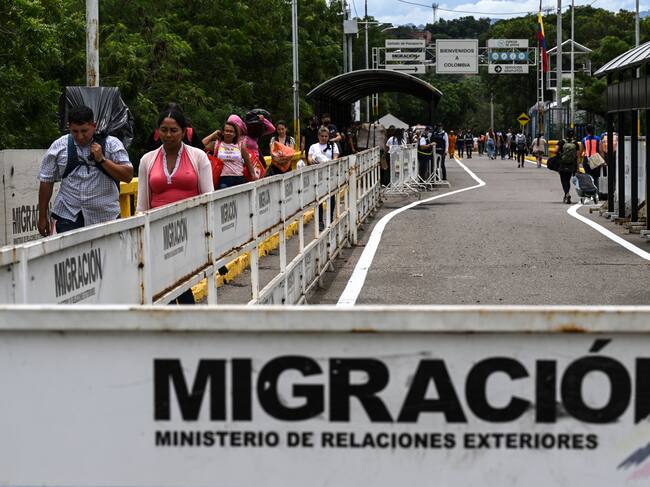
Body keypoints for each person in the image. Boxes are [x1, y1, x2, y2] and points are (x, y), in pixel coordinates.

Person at [136, 108, 214, 304]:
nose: (168, 135)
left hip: (189, 230)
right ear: (158, 131)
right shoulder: (147, 160)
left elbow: (209, 197)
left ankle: (182, 318)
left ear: (184, 131)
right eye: (164, 130)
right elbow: (142, 203)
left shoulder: (198, 156)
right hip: (157, 233)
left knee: (180, 281)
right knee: (164, 284)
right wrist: (141, 235)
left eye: (173, 130)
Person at [37, 105, 133, 237]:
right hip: (68, 215)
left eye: (84, 131)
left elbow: (128, 176)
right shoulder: (59, 146)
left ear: (94, 126)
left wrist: (102, 160)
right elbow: (46, 180)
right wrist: (42, 217)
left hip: (105, 216)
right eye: (75, 131)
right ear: (69, 127)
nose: (80, 136)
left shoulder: (112, 144)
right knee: (70, 250)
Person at [308, 127, 339, 230]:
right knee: (319, 199)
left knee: (331, 197)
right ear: (318, 136)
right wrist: (313, 161)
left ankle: (330, 218)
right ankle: (320, 221)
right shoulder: (313, 146)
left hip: (330, 174)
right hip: (318, 175)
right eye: (322, 136)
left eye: (326, 136)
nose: (324, 138)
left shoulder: (333, 145)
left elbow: (335, 157)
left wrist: (329, 162)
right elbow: (309, 158)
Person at [211, 120, 258, 188]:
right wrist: (212, 135)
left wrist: (253, 176)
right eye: (226, 131)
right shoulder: (217, 144)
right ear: (223, 132)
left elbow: (248, 162)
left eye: (231, 131)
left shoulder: (240, 145)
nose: (228, 133)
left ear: (235, 134)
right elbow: (200, 146)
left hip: (239, 178)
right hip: (223, 179)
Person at [557, 128, 582, 204]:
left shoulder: (561, 142)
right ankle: (566, 194)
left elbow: (555, 150)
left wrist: (560, 154)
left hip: (563, 163)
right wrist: (577, 167)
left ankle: (566, 193)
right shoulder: (576, 143)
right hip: (572, 164)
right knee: (568, 179)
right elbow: (578, 156)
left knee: (563, 180)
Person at [582, 124, 605, 190]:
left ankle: (589, 192)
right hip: (596, 160)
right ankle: (596, 192)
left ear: (587, 131)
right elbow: (601, 151)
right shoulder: (598, 139)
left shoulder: (584, 140)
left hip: (587, 159)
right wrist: (603, 161)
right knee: (596, 178)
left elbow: (581, 152)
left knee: (588, 177)